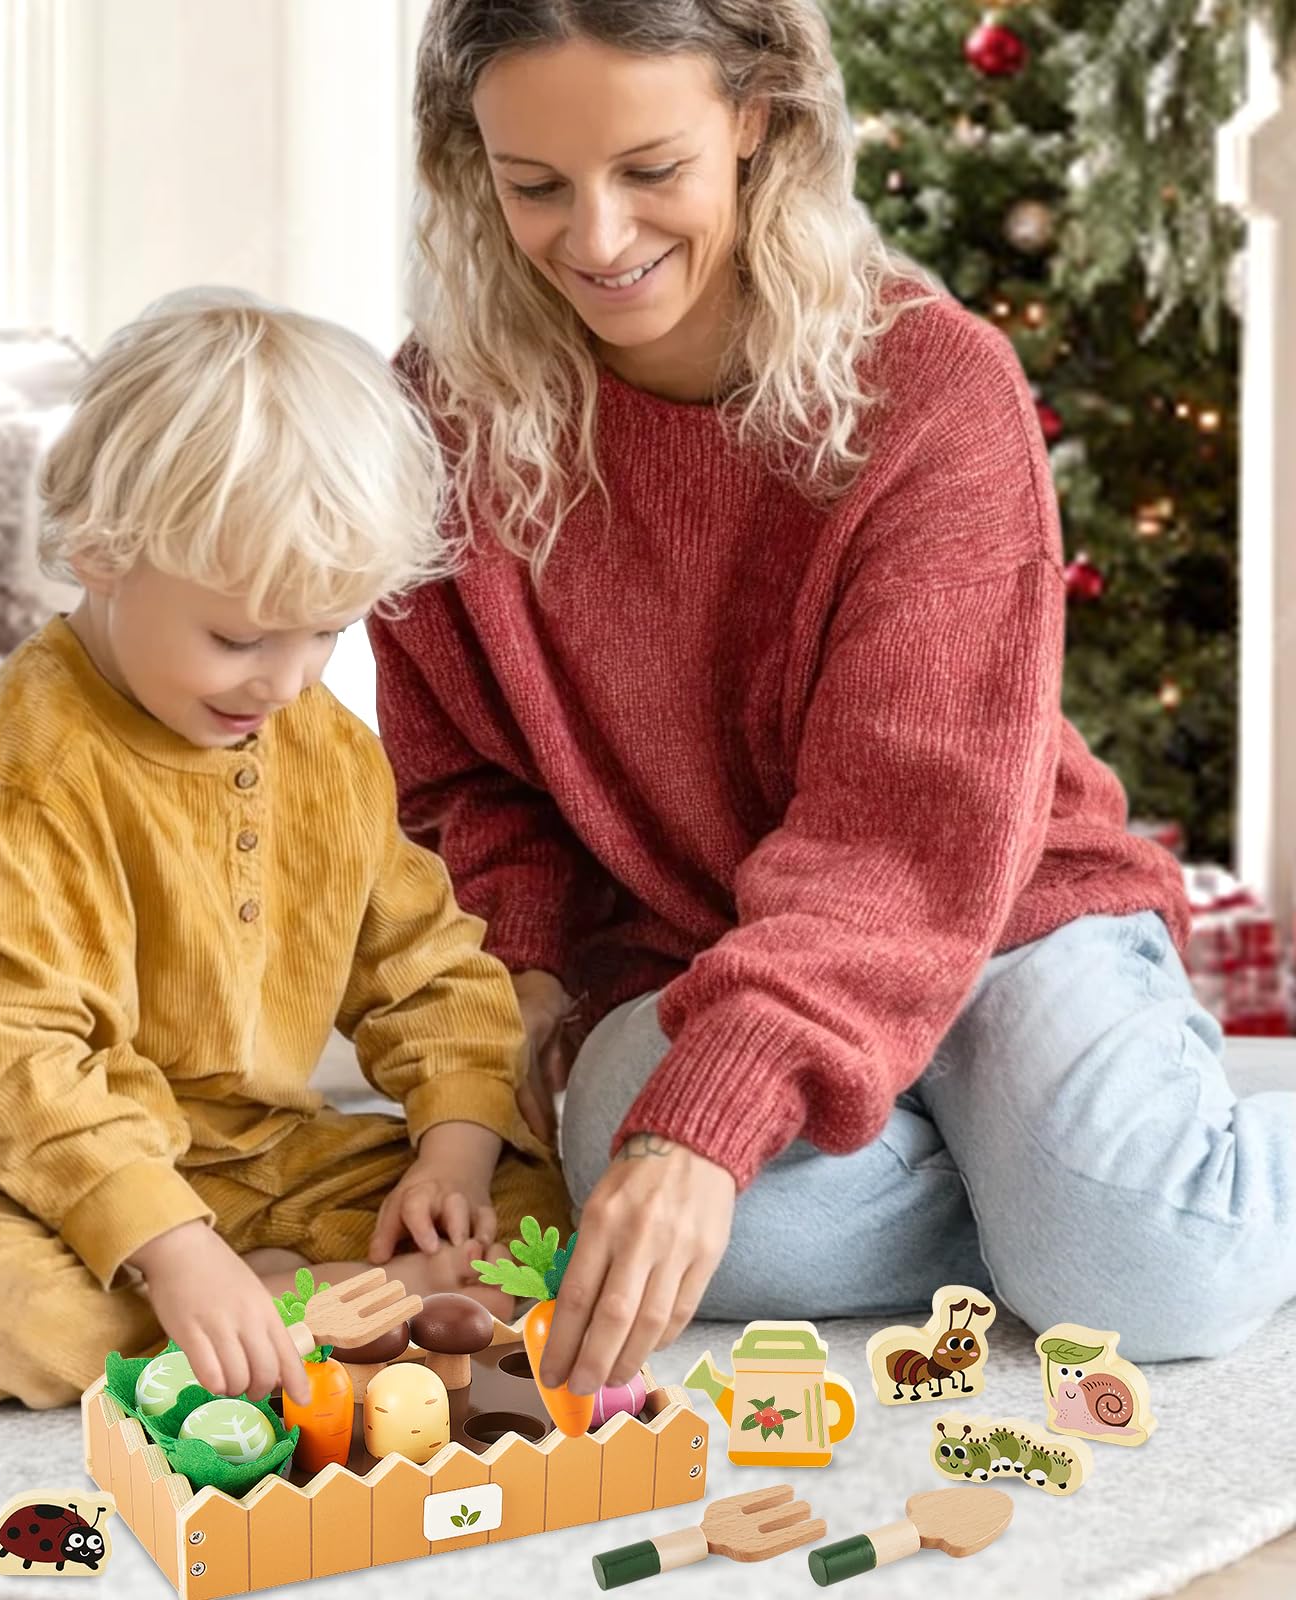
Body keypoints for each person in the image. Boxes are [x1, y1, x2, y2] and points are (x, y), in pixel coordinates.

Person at [370, 0, 1296, 1407]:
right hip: (702, 947)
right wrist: (531, 978)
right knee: (667, 1206)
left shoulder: (930, 389)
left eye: (651, 169)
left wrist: (706, 1132)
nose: (598, 239)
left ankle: (1106, 1192)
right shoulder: (439, 417)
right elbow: (466, 781)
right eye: (535, 185)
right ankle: (1044, 1186)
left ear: (757, 115)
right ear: (467, 159)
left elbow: (904, 835)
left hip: (990, 912)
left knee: (1158, 1277)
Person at [0, 289, 571, 1411]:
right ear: (103, 552)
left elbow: (423, 961)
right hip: (11, 1161)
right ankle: (299, 1306)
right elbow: (12, 1062)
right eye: (240, 637)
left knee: (538, 1212)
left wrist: (451, 1151)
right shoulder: (22, 777)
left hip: (256, 1154)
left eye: (328, 633)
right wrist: (169, 1246)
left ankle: (261, 1304)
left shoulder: (319, 741)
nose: (288, 681)